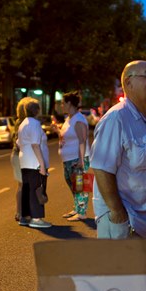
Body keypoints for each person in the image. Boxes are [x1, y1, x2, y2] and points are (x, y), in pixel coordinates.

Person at [89, 60, 146, 239]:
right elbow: (101, 168)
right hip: (127, 223)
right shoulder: (116, 118)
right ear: (128, 83)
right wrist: (118, 214)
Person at [17, 97, 52, 228]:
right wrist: (42, 165)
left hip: (24, 161)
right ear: (37, 110)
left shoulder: (23, 124)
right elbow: (35, 145)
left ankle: (25, 216)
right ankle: (36, 218)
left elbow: (19, 143)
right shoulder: (34, 124)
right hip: (34, 162)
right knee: (36, 188)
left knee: (27, 189)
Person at [56, 91, 90, 221]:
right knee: (71, 183)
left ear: (69, 103)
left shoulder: (79, 119)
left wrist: (81, 160)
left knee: (80, 184)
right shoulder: (69, 119)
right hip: (68, 158)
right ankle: (77, 208)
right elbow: (68, 136)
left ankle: (82, 212)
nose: (61, 105)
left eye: (63, 103)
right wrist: (57, 131)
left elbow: (82, 140)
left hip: (78, 158)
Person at [10, 98, 28, 222]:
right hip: (20, 155)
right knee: (23, 185)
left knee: (20, 185)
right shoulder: (25, 123)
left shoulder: (18, 122)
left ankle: (19, 212)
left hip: (15, 155)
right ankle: (21, 213)